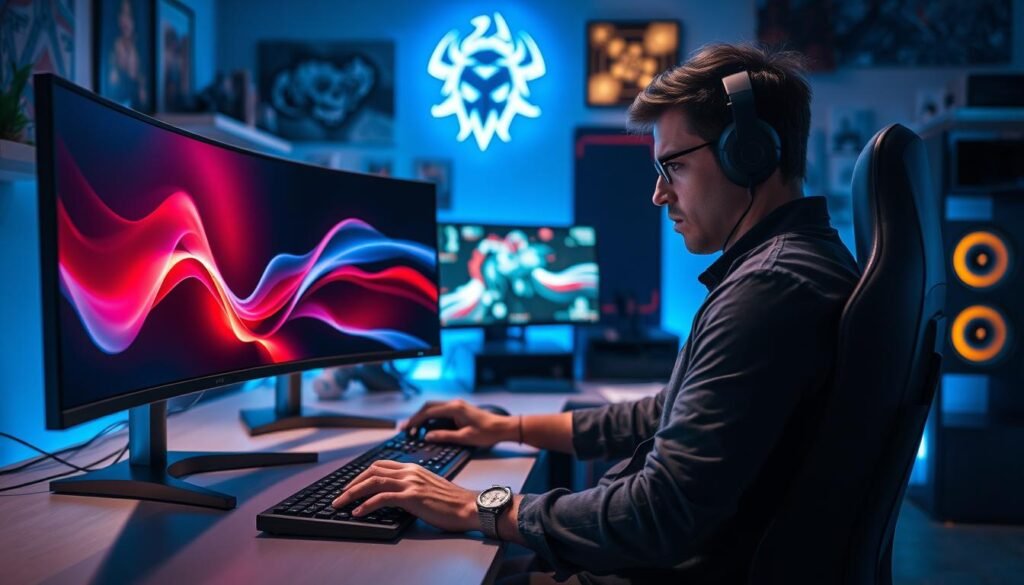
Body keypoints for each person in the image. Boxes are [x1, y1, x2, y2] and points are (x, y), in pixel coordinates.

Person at [330, 43, 861, 584]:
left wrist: (477, 506)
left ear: (749, 154)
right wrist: (507, 425)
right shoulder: (787, 270)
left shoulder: (768, 289)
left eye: (673, 166)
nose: (659, 194)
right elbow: (662, 414)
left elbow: (657, 514)